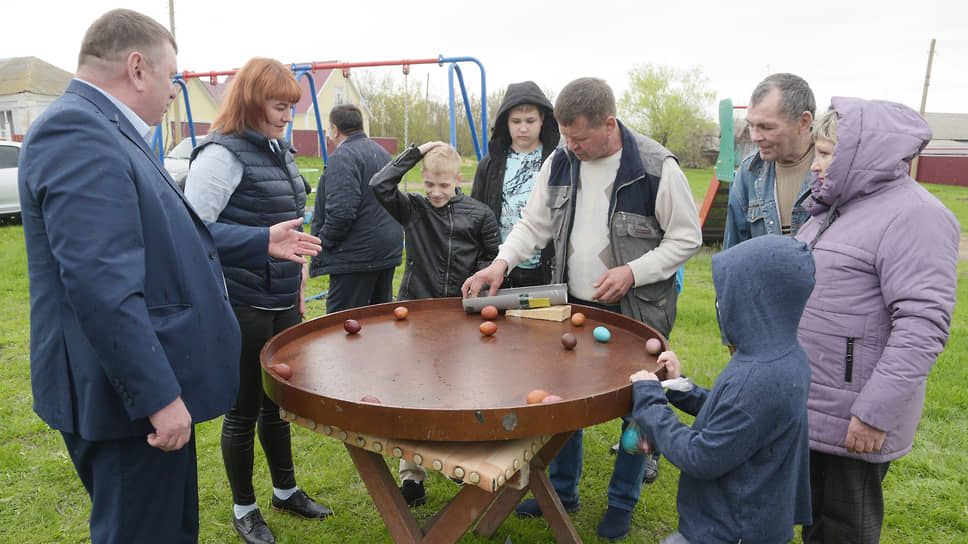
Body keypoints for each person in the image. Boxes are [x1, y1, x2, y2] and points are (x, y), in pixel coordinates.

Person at [17, 10, 321, 544]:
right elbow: (101, 287)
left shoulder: (108, 129)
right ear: (137, 68)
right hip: (123, 404)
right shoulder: (77, 132)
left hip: (133, 397)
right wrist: (158, 397)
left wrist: (259, 240)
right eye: (170, 78)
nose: (172, 95)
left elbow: (168, 234)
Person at [462, 77, 702, 542]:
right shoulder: (561, 160)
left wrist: (633, 270)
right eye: (565, 136)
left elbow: (687, 238)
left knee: (639, 409)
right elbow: (534, 224)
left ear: (609, 123)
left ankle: (622, 504)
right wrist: (500, 263)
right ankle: (564, 492)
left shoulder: (656, 167)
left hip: (637, 309)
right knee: (564, 402)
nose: (570, 146)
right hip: (573, 305)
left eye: (580, 138)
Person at [795, 98, 959, 543]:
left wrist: (874, 412)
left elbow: (922, 325)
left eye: (826, 153)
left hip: (855, 416)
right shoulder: (832, 208)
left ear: (860, 154)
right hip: (813, 403)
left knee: (844, 531)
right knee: (815, 525)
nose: (815, 165)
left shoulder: (916, 217)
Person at [184, 57, 333, 544]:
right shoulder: (220, 155)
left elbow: (290, 224)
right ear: (250, 101)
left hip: (281, 296)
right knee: (244, 407)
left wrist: (298, 278)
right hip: (239, 300)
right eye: (279, 105)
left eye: (292, 106)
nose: (288, 115)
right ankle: (244, 508)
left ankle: (285, 491)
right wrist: (259, 240)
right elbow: (191, 230)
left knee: (278, 403)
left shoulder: (280, 150)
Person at [630, 234, 815, 544]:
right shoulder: (782, 356)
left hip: (729, 530)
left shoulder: (759, 378)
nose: (719, 304)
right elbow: (735, 416)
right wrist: (678, 386)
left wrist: (650, 400)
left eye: (726, 295)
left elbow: (699, 456)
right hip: (754, 521)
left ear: (758, 302)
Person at [370, 141, 500, 506]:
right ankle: (412, 476)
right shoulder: (412, 209)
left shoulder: (479, 214)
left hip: (461, 316)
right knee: (413, 395)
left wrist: (478, 291)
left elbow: (493, 259)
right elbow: (380, 184)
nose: (436, 192)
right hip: (414, 313)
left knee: (458, 391)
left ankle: (458, 464)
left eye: (443, 185)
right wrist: (416, 151)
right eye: (428, 184)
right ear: (421, 180)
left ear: (459, 180)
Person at [308, 104, 402, 312]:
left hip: (354, 256)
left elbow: (342, 212)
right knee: (379, 321)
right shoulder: (383, 154)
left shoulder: (343, 157)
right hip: (386, 250)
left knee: (341, 324)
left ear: (334, 129)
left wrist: (323, 243)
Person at [471, 81, 558, 288]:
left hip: (547, 267)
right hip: (499, 266)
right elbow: (475, 216)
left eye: (530, 120)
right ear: (506, 122)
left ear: (542, 119)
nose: (523, 128)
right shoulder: (490, 164)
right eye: (516, 121)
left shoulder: (558, 161)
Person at [722, 73, 815, 249]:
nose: (755, 137)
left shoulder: (834, 170)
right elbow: (734, 254)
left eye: (766, 127)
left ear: (803, 122)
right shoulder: (748, 172)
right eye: (751, 125)